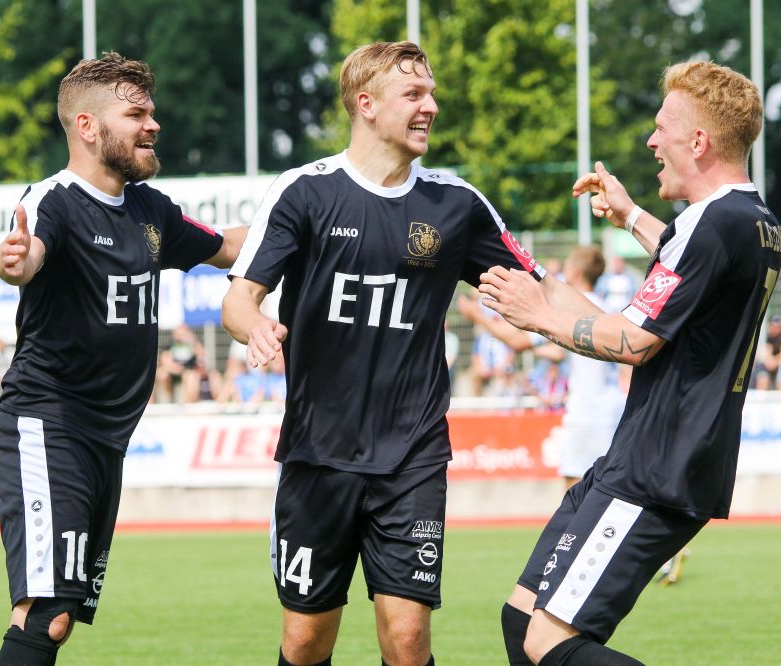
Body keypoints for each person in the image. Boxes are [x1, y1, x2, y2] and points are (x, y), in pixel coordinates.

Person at [222, 41, 546, 666]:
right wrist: (254, 326)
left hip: (413, 455)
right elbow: (240, 298)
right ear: (366, 105)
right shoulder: (303, 192)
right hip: (318, 454)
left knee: (406, 638)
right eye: (415, 94)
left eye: (432, 93)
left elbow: (535, 285)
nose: (432, 106)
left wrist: (620, 323)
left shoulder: (457, 204)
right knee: (306, 640)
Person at [480, 61, 781, 665]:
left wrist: (537, 314)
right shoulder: (753, 221)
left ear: (697, 141)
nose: (650, 141)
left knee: (550, 641)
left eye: (662, 126)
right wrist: (630, 216)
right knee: (521, 620)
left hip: (656, 466)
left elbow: (638, 340)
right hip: (650, 458)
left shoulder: (714, 224)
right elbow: (691, 269)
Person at [0, 51, 245, 666]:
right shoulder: (55, 199)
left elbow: (228, 248)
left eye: (151, 111)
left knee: (61, 617)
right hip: (49, 425)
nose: (152, 124)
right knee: (45, 615)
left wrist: (304, 226)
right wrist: (13, 263)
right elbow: (25, 255)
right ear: (87, 126)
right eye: (136, 114)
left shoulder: (149, 209)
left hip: (107, 440)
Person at [458, 245, 628, 488]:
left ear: (575, 271)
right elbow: (561, 352)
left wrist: (479, 318)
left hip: (586, 411)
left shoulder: (568, 309)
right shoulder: (608, 308)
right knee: (609, 490)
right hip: (614, 408)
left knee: (574, 491)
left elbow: (517, 340)